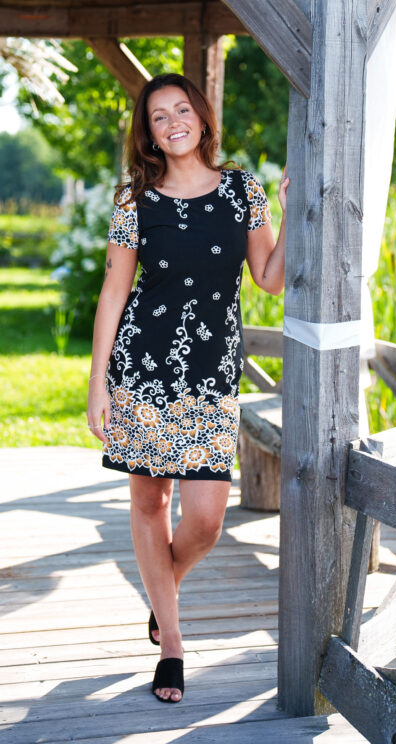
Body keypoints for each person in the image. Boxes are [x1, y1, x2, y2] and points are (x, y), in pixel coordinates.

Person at [86, 73, 288, 703]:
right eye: (157, 117)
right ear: (147, 134)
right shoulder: (134, 201)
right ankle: (171, 644)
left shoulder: (242, 190)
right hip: (142, 368)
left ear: (201, 117)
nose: (172, 122)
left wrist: (291, 213)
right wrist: (98, 384)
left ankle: (160, 591)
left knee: (203, 521)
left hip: (209, 377)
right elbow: (115, 291)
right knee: (150, 502)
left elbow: (269, 278)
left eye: (181, 110)